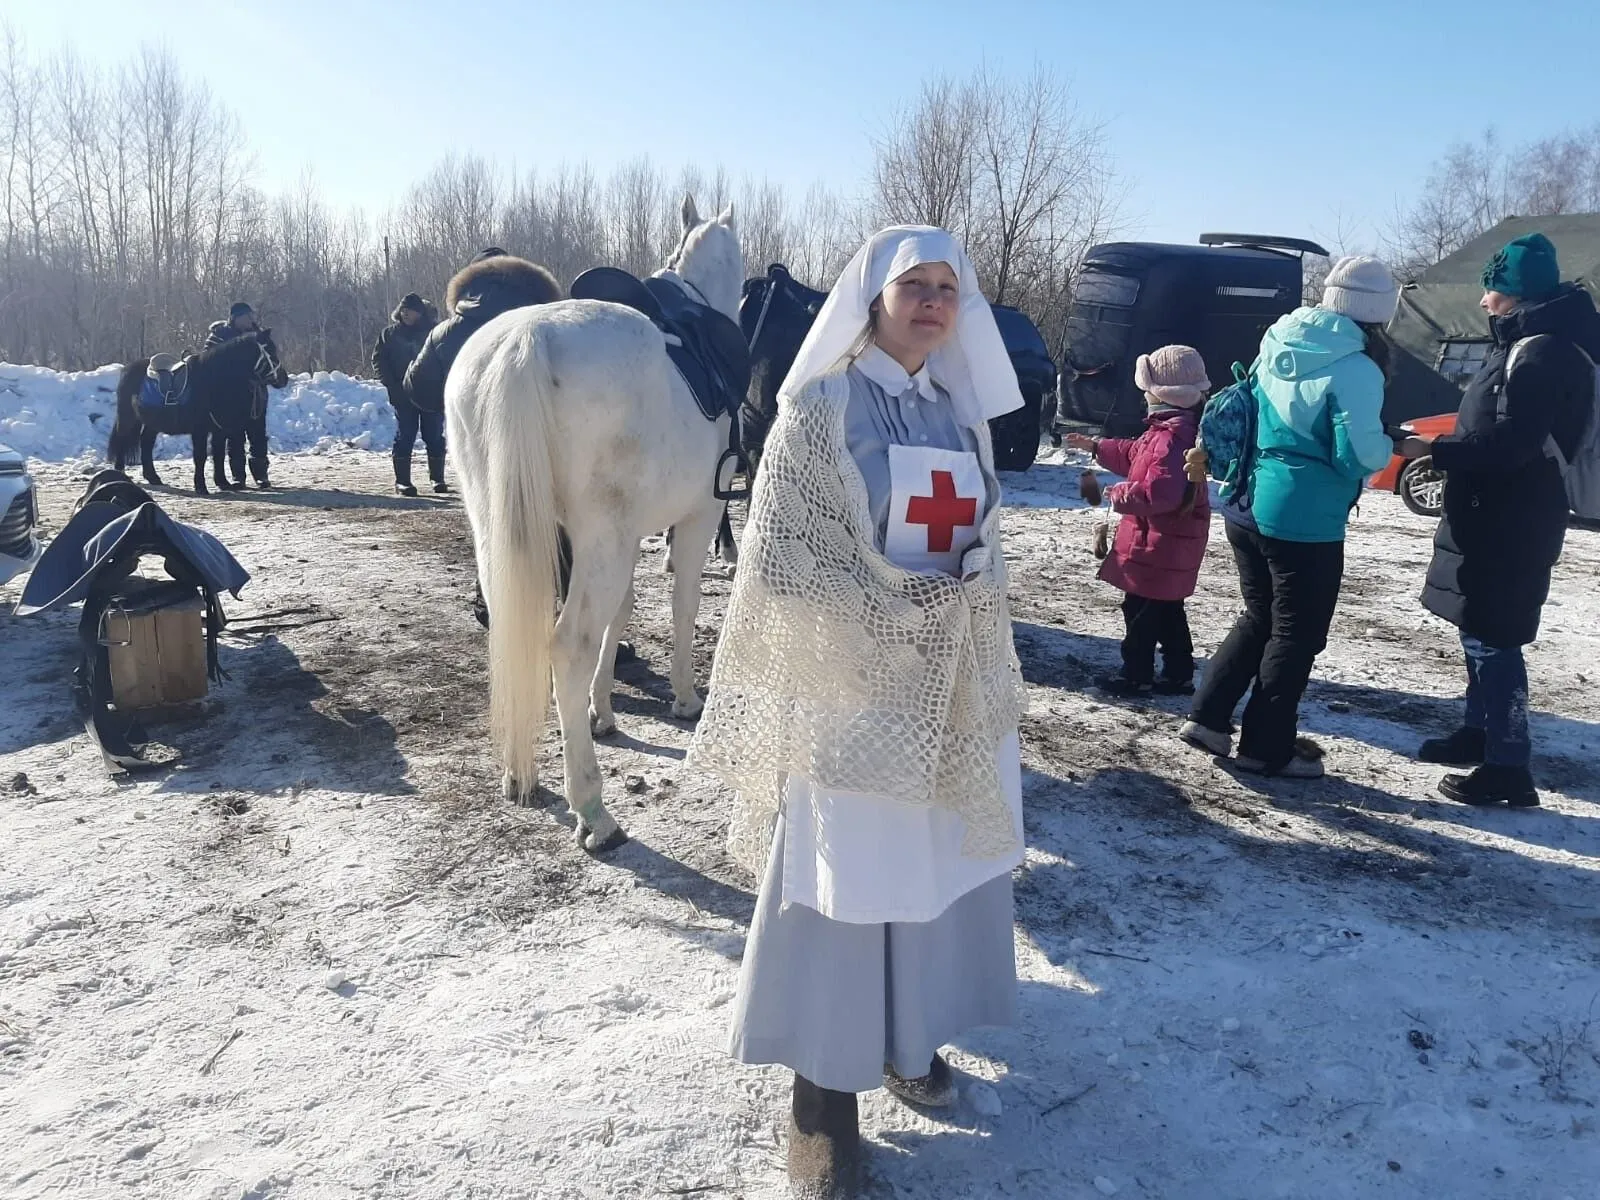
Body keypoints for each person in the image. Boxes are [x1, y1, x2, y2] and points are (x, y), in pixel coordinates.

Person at [688, 227, 1028, 1199]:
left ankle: (906, 1040)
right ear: (870, 299)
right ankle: (820, 1104)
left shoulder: (959, 413)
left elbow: (980, 543)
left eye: (944, 288)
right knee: (845, 882)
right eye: (910, 285)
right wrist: (894, 610)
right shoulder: (820, 408)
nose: (929, 302)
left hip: (947, 684)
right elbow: (784, 557)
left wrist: (962, 597)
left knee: (932, 866)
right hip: (852, 683)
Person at [1178, 256, 1400, 777]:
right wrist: (1393, 442)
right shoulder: (1357, 368)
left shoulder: (1278, 339)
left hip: (1246, 499)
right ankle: (1266, 746)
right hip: (1305, 520)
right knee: (1296, 636)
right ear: (1379, 312)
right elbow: (1359, 456)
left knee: (1259, 616)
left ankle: (1207, 718)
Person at [1400, 233, 1600, 807]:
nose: (1484, 301)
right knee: (1479, 628)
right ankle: (1479, 731)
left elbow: (1513, 444)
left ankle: (1509, 766)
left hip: (1514, 515)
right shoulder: (1528, 344)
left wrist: (1434, 453)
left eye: (1493, 289)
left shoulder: (1541, 352)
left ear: (1515, 294)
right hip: (1498, 510)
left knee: (1496, 637)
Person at [1067, 345, 1211, 698]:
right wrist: (1096, 447)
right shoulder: (1170, 432)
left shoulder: (1171, 440)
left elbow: (1159, 494)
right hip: (1167, 545)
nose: (1142, 395)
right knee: (1166, 609)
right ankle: (1178, 674)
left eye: (1146, 388)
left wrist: (1116, 493)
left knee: (1141, 610)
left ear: (1160, 394)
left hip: (1158, 545)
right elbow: (1134, 453)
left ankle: (1137, 674)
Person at [372, 292, 440, 495]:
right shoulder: (389, 334)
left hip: (430, 393)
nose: (406, 313)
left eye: (410, 310)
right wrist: (391, 386)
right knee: (405, 435)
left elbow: (443, 359)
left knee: (434, 435)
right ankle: (403, 481)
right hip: (402, 394)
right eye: (403, 310)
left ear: (420, 313)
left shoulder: (433, 333)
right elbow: (379, 361)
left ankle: (438, 478)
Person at [205, 301, 273, 487]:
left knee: (258, 434)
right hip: (230, 397)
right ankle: (238, 477)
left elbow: (271, 360)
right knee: (235, 436)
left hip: (255, 395)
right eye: (246, 316)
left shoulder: (259, 336)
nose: (251, 320)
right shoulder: (220, 337)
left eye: (252, 316)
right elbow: (207, 361)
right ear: (235, 318)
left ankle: (261, 475)